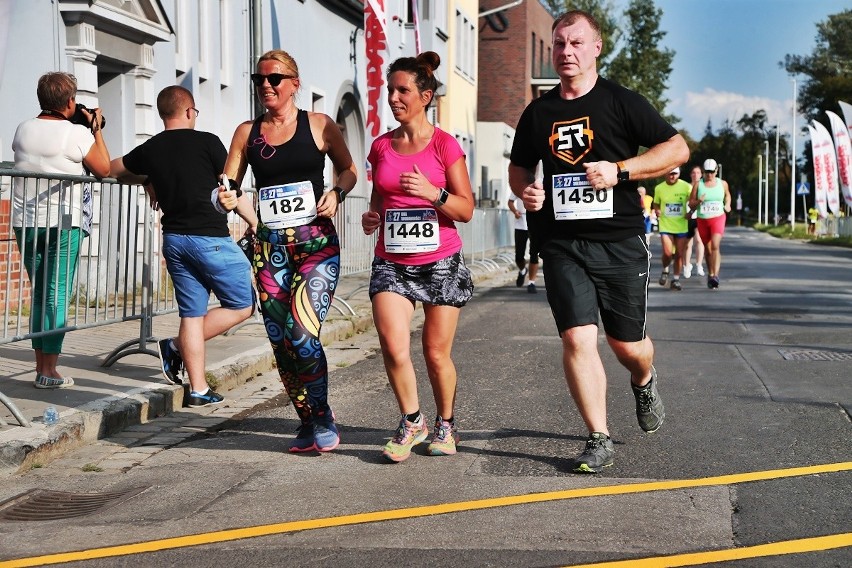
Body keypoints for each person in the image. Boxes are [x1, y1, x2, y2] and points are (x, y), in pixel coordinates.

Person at [508, 10, 689, 474]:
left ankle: (644, 377)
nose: (566, 51)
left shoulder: (622, 102)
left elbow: (677, 149)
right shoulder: (539, 112)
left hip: (620, 241)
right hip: (562, 241)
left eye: (576, 43)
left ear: (596, 48)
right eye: (559, 44)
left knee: (626, 345)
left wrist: (620, 170)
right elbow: (520, 167)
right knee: (577, 337)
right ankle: (598, 437)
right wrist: (526, 190)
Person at [218, 50, 357, 452]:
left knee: (301, 332)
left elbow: (348, 169)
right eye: (259, 79)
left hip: (315, 247)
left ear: (295, 83)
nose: (266, 85)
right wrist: (223, 197)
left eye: (275, 78)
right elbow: (227, 183)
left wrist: (337, 192)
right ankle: (307, 418)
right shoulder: (248, 132)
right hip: (270, 251)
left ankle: (323, 413)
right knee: (281, 341)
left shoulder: (319, 125)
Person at [361, 51, 475, 463]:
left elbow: (465, 209)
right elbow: (380, 198)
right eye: (390, 90)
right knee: (393, 345)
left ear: (425, 96)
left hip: (440, 261)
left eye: (402, 90)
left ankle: (446, 424)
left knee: (435, 351)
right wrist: (372, 217)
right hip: (392, 261)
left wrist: (433, 193)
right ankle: (413, 421)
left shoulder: (445, 146)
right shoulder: (381, 147)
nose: (393, 97)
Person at [110, 86, 256, 408]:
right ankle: (175, 348)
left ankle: (199, 389)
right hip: (211, 240)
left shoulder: (151, 148)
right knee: (243, 304)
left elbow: (112, 170)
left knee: (192, 314)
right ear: (189, 111)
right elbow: (230, 186)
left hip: (175, 242)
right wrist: (255, 223)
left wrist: (147, 179)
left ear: (164, 114)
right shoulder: (208, 142)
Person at [12, 72, 110, 389]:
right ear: (70, 101)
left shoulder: (23, 129)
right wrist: (95, 130)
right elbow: (104, 168)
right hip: (62, 223)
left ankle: (41, 366)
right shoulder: (75, 134)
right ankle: (48, 371)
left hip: (24, 221)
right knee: (56, 294)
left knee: (40, 293)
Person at [688, 158, 731, 289]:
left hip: (718, 217)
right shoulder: (698, 184)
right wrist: (699, 201)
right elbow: (691, 203)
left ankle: (715, 275)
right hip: (702, 219)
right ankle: (710, 272)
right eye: (707, 172)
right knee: (707, 249)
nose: (709, 175)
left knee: (715, 246)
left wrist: (728, 204)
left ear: (716, 171)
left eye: (712, 172)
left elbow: (727, 196)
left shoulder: (722, 183)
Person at [652, 167, 692, 291]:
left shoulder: (686, 187)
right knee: (668, 253)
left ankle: (676, 279)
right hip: (666, 224)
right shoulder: (659, 188)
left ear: (679, 174)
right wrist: (657, 209)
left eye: (674, 174)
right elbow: (656, 203)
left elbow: (692, 202)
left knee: (679, 254)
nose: (672, 176)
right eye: (669, 174)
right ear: (665, 174)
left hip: (681, 225)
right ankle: (665, 270)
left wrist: (691, 212)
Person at [508, 193, 540, 293]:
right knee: (519, 256)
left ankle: (531, 282)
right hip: (520, 225)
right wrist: (515, 211)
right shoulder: (519, 184)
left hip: (535, 225)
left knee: (534, 254)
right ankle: (522, 270)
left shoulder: (539, 184)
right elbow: (510, 202)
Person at [682, 165, 706, 279]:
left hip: (699, 216)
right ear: (690, 174)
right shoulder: (686, 187)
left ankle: (699, 265)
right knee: (687, 244)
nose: (695, 175)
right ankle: (686, 265)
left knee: (699, 241)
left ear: (701, 174)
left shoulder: (703, 186)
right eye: (693, 172)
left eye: (698, 172)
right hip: (688, 217)